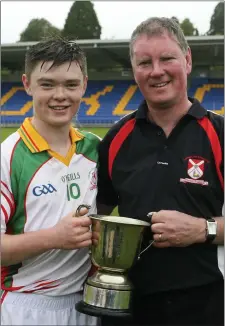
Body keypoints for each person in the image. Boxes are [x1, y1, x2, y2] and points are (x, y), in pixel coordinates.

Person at [97, 17, 224, 326]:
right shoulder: (115, 139)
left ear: (188, 59)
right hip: (128, 304)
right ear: (134, 69)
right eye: (144, 62)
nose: (156, 71)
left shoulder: (220, 134)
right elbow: (95, 216)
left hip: (206, 304)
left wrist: (201, 229)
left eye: (167, 58)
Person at [1, 37, 100, 326]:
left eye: (70, 84)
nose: (60, 95)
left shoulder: (96, 149)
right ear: (27, 84)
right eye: (47, 84)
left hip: (86, 304)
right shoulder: (7, 157)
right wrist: (55, 238)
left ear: (84, 85)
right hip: (25, 307)